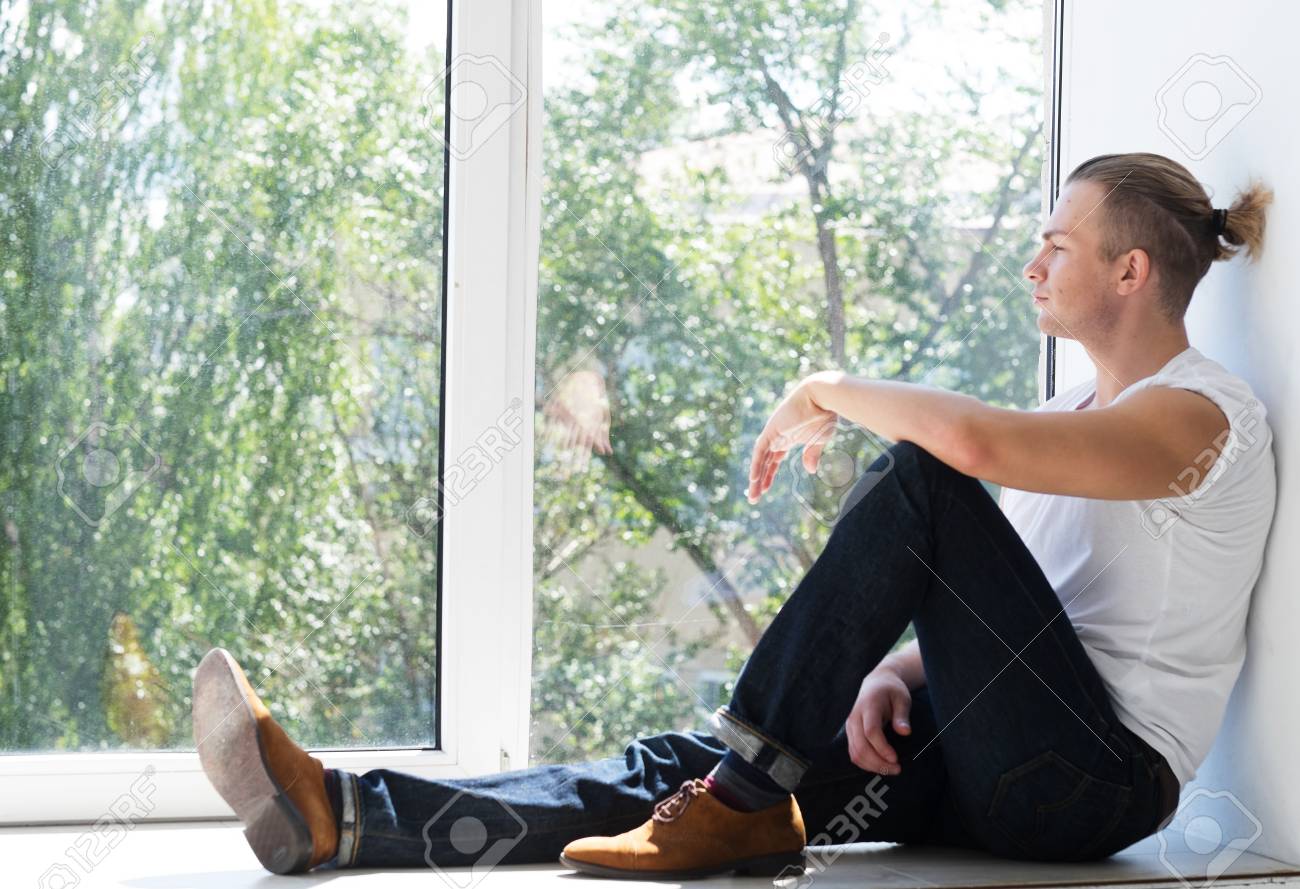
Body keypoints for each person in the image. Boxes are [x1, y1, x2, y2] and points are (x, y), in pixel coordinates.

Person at [191, 151, 1277, 879]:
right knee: (683, 774)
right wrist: (891, 678)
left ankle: (749, 791)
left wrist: (824, 386)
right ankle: (346, 809)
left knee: (920, 481)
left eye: (1058, 244)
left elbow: (968, 454)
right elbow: (1048, 612)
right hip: (995, 754)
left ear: (1128, 270)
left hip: (1093, 784)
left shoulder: (1199, 416)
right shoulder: (1074, 411)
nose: (1030, 261)